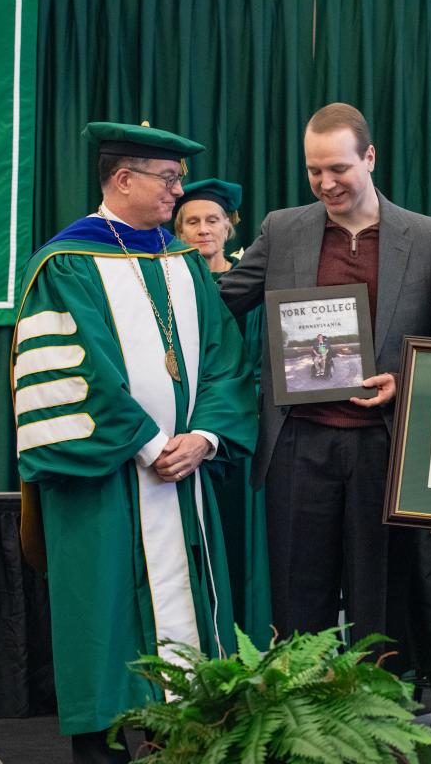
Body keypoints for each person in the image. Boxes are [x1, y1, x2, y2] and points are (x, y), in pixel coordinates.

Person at [12, 122, 257, 762]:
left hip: (185, 475)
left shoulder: (182, 264)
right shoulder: (64, 264)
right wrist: (151, 445)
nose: (179, 192)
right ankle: (101, 744)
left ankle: (182, 737)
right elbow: (78, 370)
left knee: (185, 622)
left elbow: (229, 362)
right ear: (124, 180)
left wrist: (203, 437)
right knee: (103, 607)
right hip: (107, 476)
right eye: (169, 179)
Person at [217, 103, 431, 660]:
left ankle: (380, 723)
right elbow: (222, 305)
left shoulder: (428, 238)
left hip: (385, 444)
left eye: (338, 169)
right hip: (299, 442)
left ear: (369, 158)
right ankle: (302, 722)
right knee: (298, 599)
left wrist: (403, 381)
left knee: (382, 602)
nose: (325, 183)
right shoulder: (282, 229)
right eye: (314, 171)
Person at [174, 178, 272, 648]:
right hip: (184, 439)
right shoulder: (168, 284)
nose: (202, 229)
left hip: (245, 436)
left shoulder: (250, 288)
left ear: (230, 227)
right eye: (191, 221)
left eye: (212, 220)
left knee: (244, 550)